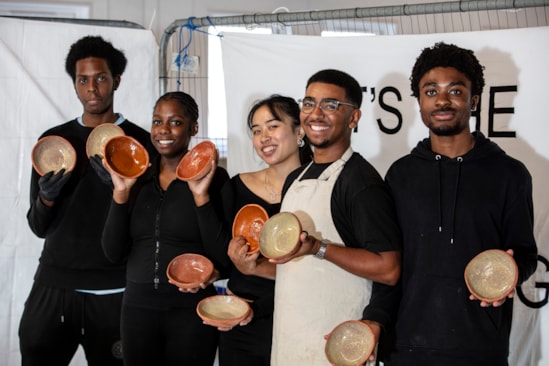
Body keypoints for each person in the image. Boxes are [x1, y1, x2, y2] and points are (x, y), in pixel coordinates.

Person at [365, 42, 538, 366]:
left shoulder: (509, 174)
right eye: (431, 91)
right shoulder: (400, 175)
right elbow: (389, 265)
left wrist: (512, 269)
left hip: (481, 350)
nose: (442, 100)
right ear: (419, 102)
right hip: (405, 349)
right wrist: (375, 320)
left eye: (455, 91)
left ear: (473, 99)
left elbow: (525, 252)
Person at [20, 35, 154, 366]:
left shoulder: (140, 144)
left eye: (100, 78)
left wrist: (120, 191)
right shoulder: (53, 142)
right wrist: (46, 199)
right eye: (83, 80)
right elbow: (38, 226)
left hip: (114, 291)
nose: (92, 88)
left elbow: (149, 227)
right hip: (54, 286)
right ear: (75, 85)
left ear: (116, 81)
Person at [269, 69, 402, 365]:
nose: (316, 113)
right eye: (308, 103)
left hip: (337, 344)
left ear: (354, 118)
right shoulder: (295, 178)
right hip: (290, 339)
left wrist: (319, 247)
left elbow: (388, 268)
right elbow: (294, 269)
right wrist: (249, 265)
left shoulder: (360, 183)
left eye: (330, 105)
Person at [101, 91, 230, 366]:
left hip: (191, 309)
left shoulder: (215, 178)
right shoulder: (135, 177)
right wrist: (120, 193)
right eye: (157, 121)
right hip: (137, 309)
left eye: (175, 122)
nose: (163, 130)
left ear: (193, 127)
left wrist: (201, 197)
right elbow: (112, 252)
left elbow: (223, 254)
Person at [215, 95, 312, 365]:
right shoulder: (237, 187)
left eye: (272, 126)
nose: (263, 137)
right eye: (256, 131)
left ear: (300, 130)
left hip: (301, 321)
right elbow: (220, 259)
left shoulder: (319, 190)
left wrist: (255, 268)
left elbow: (320, 269)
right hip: (241, 324)